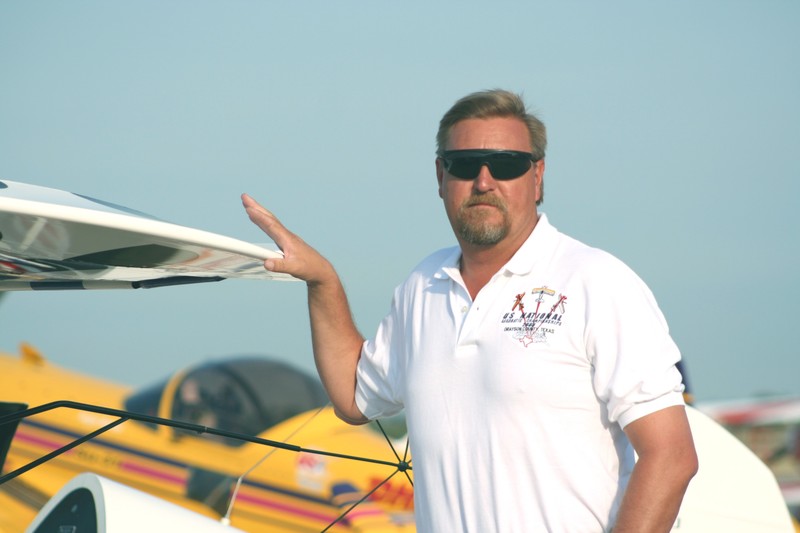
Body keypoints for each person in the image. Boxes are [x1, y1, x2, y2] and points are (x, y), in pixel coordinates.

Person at [242, 89, 698, 532]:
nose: (484, 181)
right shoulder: (422, 285)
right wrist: (323, 280)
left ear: (538, 176)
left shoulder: (596, 281)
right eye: (464, 165)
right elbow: (353, 395)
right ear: (440, 176)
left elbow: (671, 457)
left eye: (506, 164)